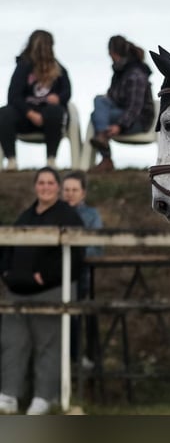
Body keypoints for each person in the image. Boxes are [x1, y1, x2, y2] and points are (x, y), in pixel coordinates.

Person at [0, 167, 85, 415]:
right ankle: (8, 395)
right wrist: (6, 273)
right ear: (36, 186)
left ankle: (44, 397)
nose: (45, 187)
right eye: (41, 183)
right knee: (12, 343)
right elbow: (7, 247)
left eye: (50, 183)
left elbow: (76, 256)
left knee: (49, 345)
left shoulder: (68, 216)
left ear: (57, 187)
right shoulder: (25, 216)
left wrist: (44, 276)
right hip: (16, 292)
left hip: (52, 291)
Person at [0, 30, 72, 171]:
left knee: (55, 111)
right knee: (4, 114)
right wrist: (30, 113)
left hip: (50, 120)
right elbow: (13, 96)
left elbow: (67, 92)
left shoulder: (59, 69)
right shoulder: (23, 67)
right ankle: (11, 160)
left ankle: (51, 159)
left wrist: (58, 98)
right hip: (25, 117)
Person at [88, 35, 155, 172]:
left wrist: (120, 126)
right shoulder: (120, 71)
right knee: (99, 100)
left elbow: (135, 108)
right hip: (120, 112)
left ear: (112, 53)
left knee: (96, 116)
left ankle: (105, 153)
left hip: (138, 120)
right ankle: (103, 141)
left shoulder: (136, 74)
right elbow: (113, 96)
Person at [62, 170, 103, 369]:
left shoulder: (91, 215)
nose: (70, 193)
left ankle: (77, 357)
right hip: (55, 276)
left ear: (83, 193)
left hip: (80, 276)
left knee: (76, 317)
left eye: (74, 190)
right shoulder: (55, 212)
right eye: (67, 189)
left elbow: (96, 247)